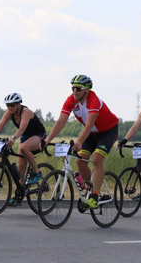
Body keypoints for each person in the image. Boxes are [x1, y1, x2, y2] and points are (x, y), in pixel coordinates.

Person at [43, 74, 118, 209]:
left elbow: (89, 124)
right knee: (80, 161)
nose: (74, 92)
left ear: (86, 90)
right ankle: (91, 187)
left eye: (77, 89)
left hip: (107, 132)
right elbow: (61, 121)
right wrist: (48, 139)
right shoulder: (71, 100)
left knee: (96, 159)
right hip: (91, 134)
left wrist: (79, 141)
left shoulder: (94, 100)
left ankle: (95, 196)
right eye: (73, 89)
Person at [0, 92, 46, 206]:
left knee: (24, 147)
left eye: (12, 105)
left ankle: (37, 172)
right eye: (8, 105)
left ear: (19, 104)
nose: (10, 108)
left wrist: (13, 138)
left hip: (38, 134)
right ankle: (19, 194)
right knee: (20, 169)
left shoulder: (25, 112)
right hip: (25, 136)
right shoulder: (9, 113)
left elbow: (21, 128)